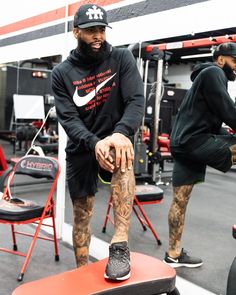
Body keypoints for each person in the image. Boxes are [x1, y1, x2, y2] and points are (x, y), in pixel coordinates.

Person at [51, 3, 144, 280]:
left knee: (123, 154)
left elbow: (135, 100)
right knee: (82, 214)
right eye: (91, 31)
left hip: (114, 140)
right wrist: (94, 143)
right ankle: (81, 273)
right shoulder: (62, 74)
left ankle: (119, 245)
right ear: (76, 32)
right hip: (82, 148)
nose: (98, 36)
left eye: (101, 30)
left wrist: (120, 133)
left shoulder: (122, 58)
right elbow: (68, 119)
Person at [164, 42, 236, 268]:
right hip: (193, 142)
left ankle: (173, 254)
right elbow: (228, 111)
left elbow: (214, 122)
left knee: (180, 200)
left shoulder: (204, 76)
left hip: (183, 143)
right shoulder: (214, 73)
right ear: (221, 59)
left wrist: (225, 131)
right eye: (235, 62)